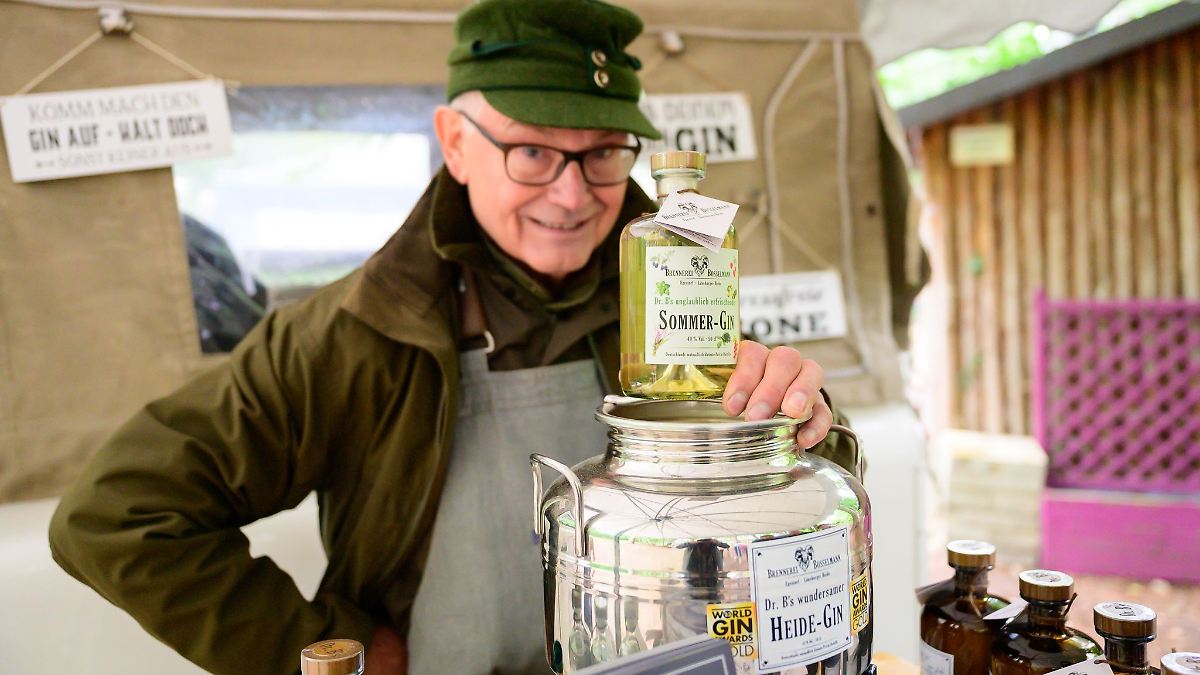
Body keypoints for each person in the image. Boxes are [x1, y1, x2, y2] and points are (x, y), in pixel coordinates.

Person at [48, 1, 855, 673]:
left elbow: (788, 496)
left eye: (604, 152)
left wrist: (814, 420)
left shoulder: (682, 309)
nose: (573, 195)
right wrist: (346, 648)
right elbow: (114, 515)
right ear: (456, 142)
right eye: (533, 150)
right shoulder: (346, 336)